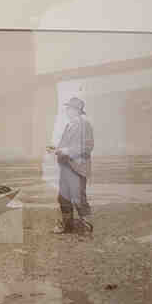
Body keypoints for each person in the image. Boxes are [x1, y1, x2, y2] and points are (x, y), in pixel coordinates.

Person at [49, 97, 94, 234]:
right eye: (67, 108)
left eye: (69, 108)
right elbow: (68, 146)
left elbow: (87, 147)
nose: (67, 111)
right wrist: (56, 149)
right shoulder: (70, 125)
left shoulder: (84, 124)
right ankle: (67, 226)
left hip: (77, 167)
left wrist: (64, 151)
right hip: (66, 166)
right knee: (63, 197)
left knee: (78, 197)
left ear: (76, 110)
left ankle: (86, 226)